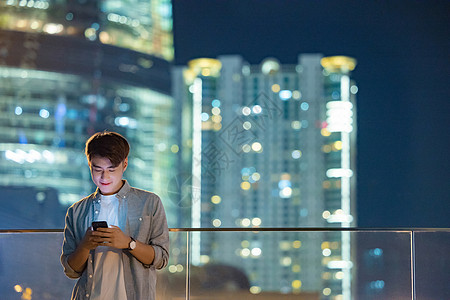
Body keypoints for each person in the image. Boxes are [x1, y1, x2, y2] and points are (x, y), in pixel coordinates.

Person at [61, 131, 169, 300]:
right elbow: (71, 271)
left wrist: (128, 243)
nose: (104, 177)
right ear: (89, 164)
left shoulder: (149, 202)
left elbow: (161, 258)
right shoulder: (77, 211)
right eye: (97, 169)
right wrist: (85, 245)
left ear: (124, 164)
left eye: (111, 169)